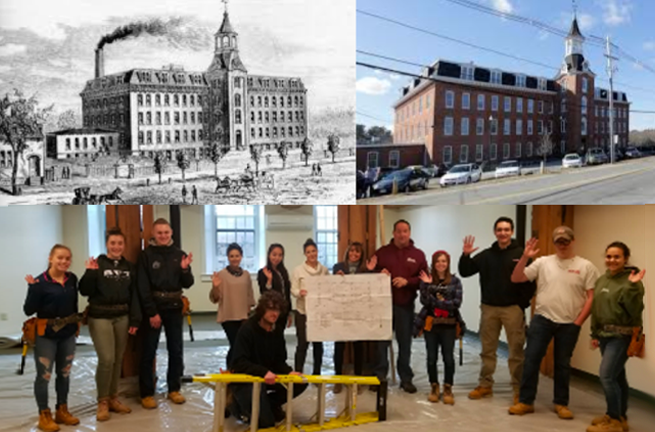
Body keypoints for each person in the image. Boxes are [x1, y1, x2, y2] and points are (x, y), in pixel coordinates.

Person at [509, 226, 600, 420]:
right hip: (543, 319)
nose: (563, 245)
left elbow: (592, 297)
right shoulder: (543, 262)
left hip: (570, 323)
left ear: (573, 241)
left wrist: (578, 322)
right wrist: (525, 257)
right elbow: (516, 278)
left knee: (562, 364)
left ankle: (561, 403)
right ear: (554, 243)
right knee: (531, 360)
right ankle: (526, 401)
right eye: (559, 241)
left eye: (566, 241)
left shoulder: (586, 266)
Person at [458, 217, 536, 403]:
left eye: (506, 229)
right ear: (495, 232)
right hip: (489, 309)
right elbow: (465, 271)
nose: (503, 233)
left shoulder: (522, 254)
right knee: (487, 350)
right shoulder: (486, 255)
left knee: (516, 351)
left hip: (512, 310)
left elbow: (531, 282)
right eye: (499, 229)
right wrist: (465, 255)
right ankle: (485, 385)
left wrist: (521, 304)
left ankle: (518, 390)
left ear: (512, 231)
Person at [79, 228, 141, 422]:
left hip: (122, 317)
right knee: (106, 359)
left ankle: (113, 397)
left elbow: (134, 295)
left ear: (124, 245)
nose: (116, 247)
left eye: (120, 243)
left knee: (117, 359)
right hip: (100, 317)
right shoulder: (98, 264)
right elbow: (84, 290)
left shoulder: (129, 267)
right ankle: (102, 401)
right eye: (113, 243)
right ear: (107, 244)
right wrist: (90, 273)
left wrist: (135, 319)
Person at [587, 242, 645, 432]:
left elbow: (635, 311)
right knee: (618, 377)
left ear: (625, 259)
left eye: (617, 257)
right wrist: (594, 333)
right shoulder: (603, 279)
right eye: (609, 256)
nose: (612, 260)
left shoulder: (632, 281)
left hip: (621, 336)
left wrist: (633, 288)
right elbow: (597, 308)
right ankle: (620, 417)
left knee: (606, 376)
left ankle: (613, 421)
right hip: (604, 335)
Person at [137, 218, 194, 409]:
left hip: (174, 306)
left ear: (171, 233)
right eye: (159, 232)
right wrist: (152, 312)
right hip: (154, 307)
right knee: (148, 351)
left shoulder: (179, 254)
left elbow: (188, 283)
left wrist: (185, 270)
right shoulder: (146, 255)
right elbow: (142, 287)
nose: (163, 235)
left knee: (176, 350)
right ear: (153, 234)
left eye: (166, 232)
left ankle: (173, 389)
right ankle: (146, 393)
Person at [229, 291, 307, 429]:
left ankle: (268, 404)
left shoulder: (276, 331)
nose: (274, 313)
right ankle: (236, 405)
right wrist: (263, 372)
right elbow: (238, 362)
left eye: (277, 310)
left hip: (267, 377)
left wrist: (289, 372)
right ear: (262, 309)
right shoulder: (247, 329)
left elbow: (279, 360)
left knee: (301, 383)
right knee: (266, 423)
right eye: (271, 309)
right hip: (246, 379)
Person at [23, 245, 80, 432]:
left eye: (67, 258)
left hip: (68, 333)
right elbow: (28, 310)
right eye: (60, 258)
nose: (64, 262)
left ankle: (62, 410)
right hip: (46, 335)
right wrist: (32, 290)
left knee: (64, 373)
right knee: (44, 375)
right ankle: (44, 414)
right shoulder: (40, 282)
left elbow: (74, 304)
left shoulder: (72, 279)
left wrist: (75, 325)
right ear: (50, 258)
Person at [372, 219, 428, 394]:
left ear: (409, 233)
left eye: (405, 231)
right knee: (381, 343)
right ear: (393, 233)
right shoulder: (382, 253)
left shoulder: (418, 255)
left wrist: (408, 281)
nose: (402, 234)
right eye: (398, 231)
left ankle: (406, 378)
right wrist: (378, 273)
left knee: (405, 344)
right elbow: (370, 272)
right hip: (383, 306)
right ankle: (380, 377)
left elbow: (425, 279)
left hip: (405, 306)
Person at [416, 250, 463, 405]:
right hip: (431, 324)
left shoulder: (455, 281)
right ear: (433, 263)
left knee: (448, 358)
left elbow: (456, 304)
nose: (441, 264)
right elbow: (424, 301)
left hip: (449, 325)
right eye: (438, 261)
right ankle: (434, 386)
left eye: (443, 261)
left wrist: (435, 300)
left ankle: (448, 387)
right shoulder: (426, 280)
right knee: (431, 358)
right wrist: (429, 287)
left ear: (448, 263)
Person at [332, 242, 376, 394]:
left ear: (361, 255)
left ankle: (357, 379)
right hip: (341, 312)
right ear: (347, 252)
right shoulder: (337, 267)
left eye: (357, 252)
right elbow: (331, 288)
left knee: (358, 347)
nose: (354, 254)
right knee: (339, 346)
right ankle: (338, 379)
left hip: (358, 312)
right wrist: (335, 279)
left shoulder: (365, 269)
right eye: (352, 251)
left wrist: (370, 272)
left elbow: (370, 287)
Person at [209, 243, 255, 367]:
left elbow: (249, 295)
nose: (235, 258)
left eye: (237, 255)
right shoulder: (221, 275)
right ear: (228, 258)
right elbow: (215, 298)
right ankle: (230, 370)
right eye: (232, 256)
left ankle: (239, 370)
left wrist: (247, 313)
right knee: (235, 344)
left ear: (241, 257)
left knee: (242, 345)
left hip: (243, 317)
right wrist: (215, 287)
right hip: (228, 316)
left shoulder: (246, 275)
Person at [291, 239, 330, 375]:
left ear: (317, 251)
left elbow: (329, 287)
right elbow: (293, 289)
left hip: (318, 313)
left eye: (313, 251)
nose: (311, 254)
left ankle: (317, 373)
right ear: (304, 254)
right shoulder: (298, 270)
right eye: (308, 252)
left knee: (318, 345)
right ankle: (298, 373)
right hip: (303, 312)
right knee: (302, 344)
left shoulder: (324, 270)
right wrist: (299, 293)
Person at [257, 244, 293, 337]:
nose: (277, 258)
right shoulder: (263, 272)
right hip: (272, 311)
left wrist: (289, 312)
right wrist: (269, 280)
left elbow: (287, 293)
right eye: (274, 254)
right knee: (271, 337)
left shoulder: (283, 271)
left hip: (283, 311)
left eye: (280, 255)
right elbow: (264, 293)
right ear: (269, 255)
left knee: (280, 336)